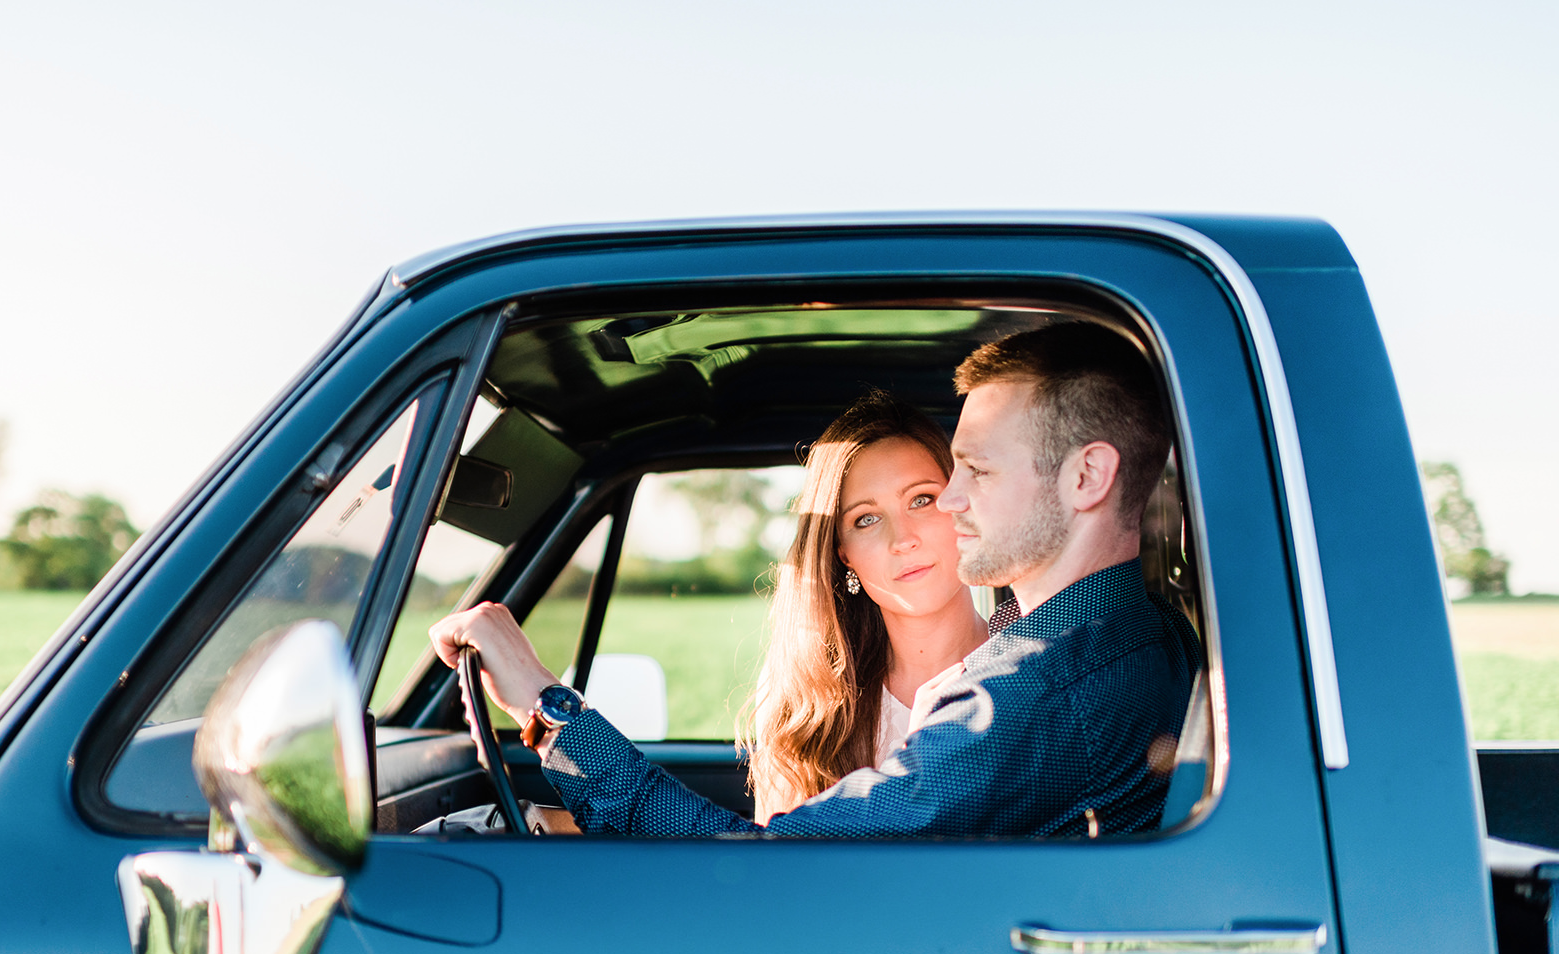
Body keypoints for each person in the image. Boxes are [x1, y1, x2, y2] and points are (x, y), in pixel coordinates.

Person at [431, 321, 1201, 839]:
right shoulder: (1155, 633)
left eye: (973, 471)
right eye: (866, 519)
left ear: (1088, 476)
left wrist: (545, 704)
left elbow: (764, 871)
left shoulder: (1028, 698)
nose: (953, 499)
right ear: (841, 559)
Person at [745, 395, 988, 824]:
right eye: (866, 519)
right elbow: (777, 872)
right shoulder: (807, 705)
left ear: (961, 505)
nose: (902, 539)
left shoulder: (1028, 676)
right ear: (843, 553)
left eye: (921, 499)